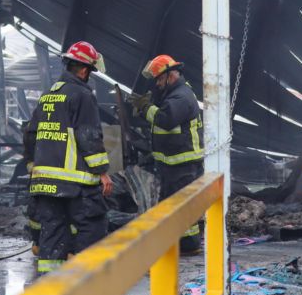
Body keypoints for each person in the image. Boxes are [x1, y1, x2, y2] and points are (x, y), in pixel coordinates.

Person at [23, 41, 113, 274]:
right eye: (90, 71)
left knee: (52, 231)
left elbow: (31, 134)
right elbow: (89, 136)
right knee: (93, 225)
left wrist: (33, 166)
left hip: (44, 181)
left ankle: (50, 287)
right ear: (83, 70)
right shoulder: (82, 95)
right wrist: (102, 171)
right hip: (74, 182)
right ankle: (84, 279)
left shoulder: (48, 95)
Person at [130, 55, 204, 254]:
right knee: (173, 205)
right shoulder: (174, 95)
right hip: (173, 164)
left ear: (170, 75)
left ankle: (189, 244)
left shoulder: (181, 96)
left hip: (182, 163)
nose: (157, 83)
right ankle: (182, 242)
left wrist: (145, 108)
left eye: (159, 79)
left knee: (182, 207)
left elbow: (165, 119)